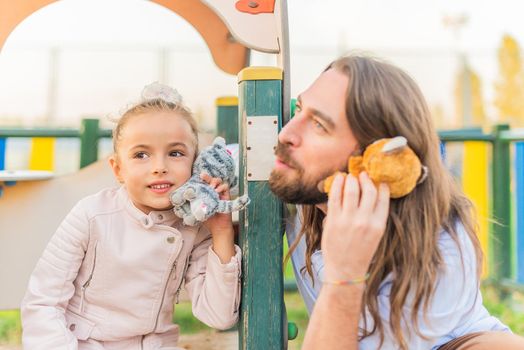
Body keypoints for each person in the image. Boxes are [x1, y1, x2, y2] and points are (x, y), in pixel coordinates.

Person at [269, 55, 524, 349]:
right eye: (299, 110)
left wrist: (345, 274)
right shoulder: (306, 187)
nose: (286, 133)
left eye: (319, 125)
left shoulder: (442, 254)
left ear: (377, 159)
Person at [21, 83, 241, 350]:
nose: (159, 167)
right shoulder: (91, 215)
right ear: (118, 169)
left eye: (175, 153)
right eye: (141, 155)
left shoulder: (194, 227)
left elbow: (218, 315)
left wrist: (221, 232)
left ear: (194, 163)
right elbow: (43, 302)